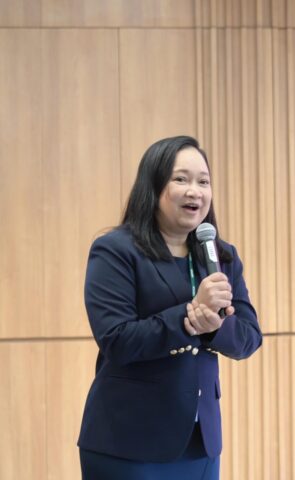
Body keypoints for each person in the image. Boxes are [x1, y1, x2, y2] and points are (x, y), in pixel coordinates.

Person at [77, 135, 262, 479]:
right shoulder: (116, 250)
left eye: (203, 181)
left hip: (199, 443)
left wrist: (218, 327)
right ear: (154, 186)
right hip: (128, 441)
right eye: (181, 179)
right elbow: (117, 340)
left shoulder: (222, 255)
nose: (196, 191)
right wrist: (189, 319)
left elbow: (250, 338)